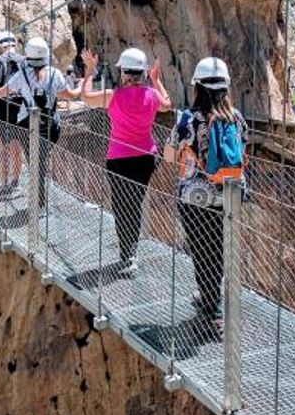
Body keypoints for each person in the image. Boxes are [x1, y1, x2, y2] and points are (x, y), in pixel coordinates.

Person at [166, 56, 247, 326]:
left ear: (197, 87)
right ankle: (213, 299)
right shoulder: (236, 118)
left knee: (201, 250)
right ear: (226, 87)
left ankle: (212, 308)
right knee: (218, 248)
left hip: (195, 197)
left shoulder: (190, 119)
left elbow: (168, 154)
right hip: (229, 194)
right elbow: (242, 151)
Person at [80, 47, 173, 276]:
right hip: (146, 157)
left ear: (123, 73)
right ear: (142, 73)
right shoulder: (151, 95)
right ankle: (131, 251)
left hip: (119, 158)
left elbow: (85, 98)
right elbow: (167, 105)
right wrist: (157, 80)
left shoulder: (114, 95)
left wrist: (90, 70)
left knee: (122, 206)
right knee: (135, 201)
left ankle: (128, 254)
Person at [0, 36, 79, 212]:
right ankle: (39, 202)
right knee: (40, 161)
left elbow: (2, 92)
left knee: (35, 163)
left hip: (28, 126)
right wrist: (84, 83)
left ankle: (37, 202)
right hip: (51, 126)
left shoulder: (21, 75)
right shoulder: (55, 74)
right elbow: (70, 95)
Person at [0, 31, 25, 194]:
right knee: (17, 147)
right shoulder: (24, 62)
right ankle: (15, 182)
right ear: (14, 44)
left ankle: (3, 185)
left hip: (0, 111)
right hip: (21, 111)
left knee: (1, 149)